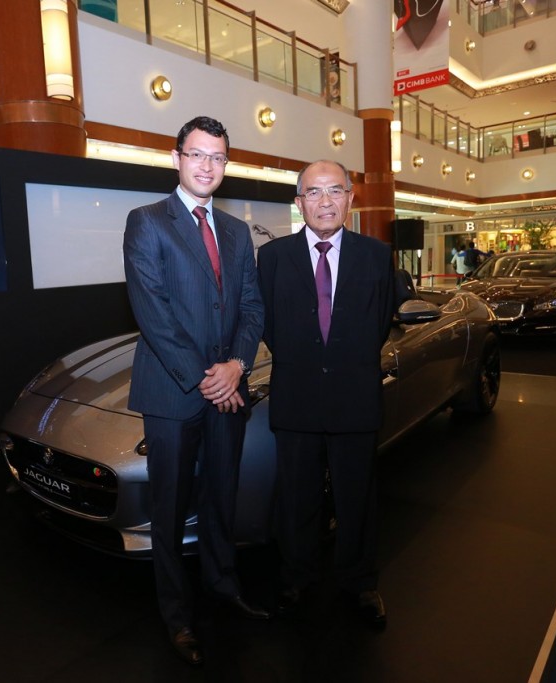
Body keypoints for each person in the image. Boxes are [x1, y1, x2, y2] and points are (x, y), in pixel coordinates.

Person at [122, 115, 268, 667]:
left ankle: (223, 587)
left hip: (228, 387)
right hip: (173, 393)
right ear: (177, 158)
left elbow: (251, 308)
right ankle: (177, 617)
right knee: (169, 508)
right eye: (198, 155)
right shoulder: (147, 222)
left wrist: (236, 364)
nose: (208, 165)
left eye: (218, 157)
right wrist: (210, 378)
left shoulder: (235, 230)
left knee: (220, 499)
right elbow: (153, 313)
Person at [257, 159, 396, 627]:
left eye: (334, 191)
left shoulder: (376, 256)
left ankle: (360, 583)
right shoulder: (273, 258)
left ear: (350, 199)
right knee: (297, 498)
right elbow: (270, 327)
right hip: (296, 397)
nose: (324, 201)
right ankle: (296, 578)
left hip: (355, 398)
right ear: (299, 203)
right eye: (313, 193)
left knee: (358, 497)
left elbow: (379, 324)